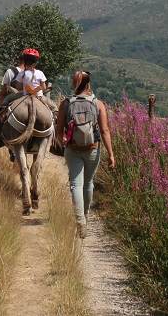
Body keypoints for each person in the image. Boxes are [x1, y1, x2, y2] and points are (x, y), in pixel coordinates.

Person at [56, 71, 115, 239]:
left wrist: (63, 143)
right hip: (92, 148)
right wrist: (111, 154)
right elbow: (104, 130)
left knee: (75, 184)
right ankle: (86, 215)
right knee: (88, 184)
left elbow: (59, 130)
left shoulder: (65, 104)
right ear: (88, 85)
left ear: (74, 85)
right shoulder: (98, 104)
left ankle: (80, 221)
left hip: (72, 150)